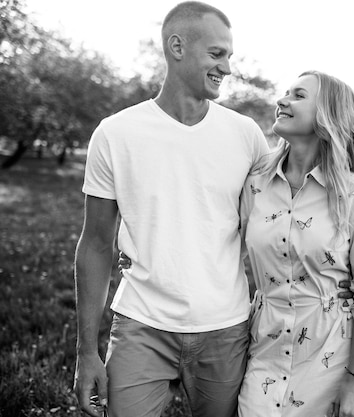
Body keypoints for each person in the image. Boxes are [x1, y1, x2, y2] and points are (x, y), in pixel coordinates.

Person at [73, 3, 269, 417]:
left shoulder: (246, 135)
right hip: (141, 324)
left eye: (229, 56)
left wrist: (329, 282)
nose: (227, 68)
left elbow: (275, 225)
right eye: (217, 54)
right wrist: (85, 352)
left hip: (226, 326)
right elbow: (95, 243)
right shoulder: (115, 133)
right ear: (176, 47)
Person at [237, 70, 354, 417]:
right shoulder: (256, 185)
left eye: (298, 95)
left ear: (327, 115)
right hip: (264, 348)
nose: (282, 100)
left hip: (331, 357)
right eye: (285, 92)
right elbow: (220, 240)